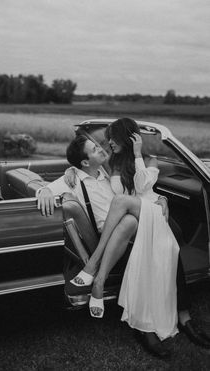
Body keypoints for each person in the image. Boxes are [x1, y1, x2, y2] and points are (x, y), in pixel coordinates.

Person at [37, 131, 210, 358]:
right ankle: (144, 327)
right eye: (95, 149)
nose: (101, 149)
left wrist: (162, 198)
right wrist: (44, 192)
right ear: (85, 162)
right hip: (109, 239)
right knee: (139, 234)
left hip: (129, 229)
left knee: (167, 245)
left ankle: (184, 316)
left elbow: (136, 191)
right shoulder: (72, 178)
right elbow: (47, 189)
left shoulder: (106, 172)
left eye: (99, 145)